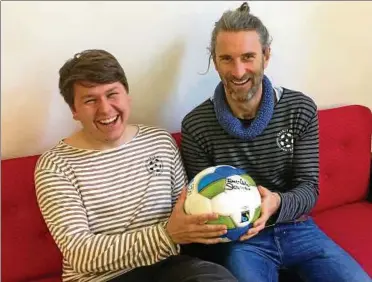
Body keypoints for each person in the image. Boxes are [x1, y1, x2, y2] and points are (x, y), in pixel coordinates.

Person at [180, 2, 371, 282]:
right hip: (242, 240)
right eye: (226, 59)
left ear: (266, 56)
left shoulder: (299, 109)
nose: (238, 71)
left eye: (248, 57)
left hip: (297, 228)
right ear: (214, 60)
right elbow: (201, 204)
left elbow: (309, 188)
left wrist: (276, 204)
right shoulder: (196, 125)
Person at [34, 49, 238, 282]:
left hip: (168, 266)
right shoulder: (55, 166)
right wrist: (166, 235)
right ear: (74, 110)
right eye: (90, 100)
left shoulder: (160, 141)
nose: (105, 109)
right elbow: (81, 255)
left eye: (112, 94)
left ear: (126, 95)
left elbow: (185, 211)